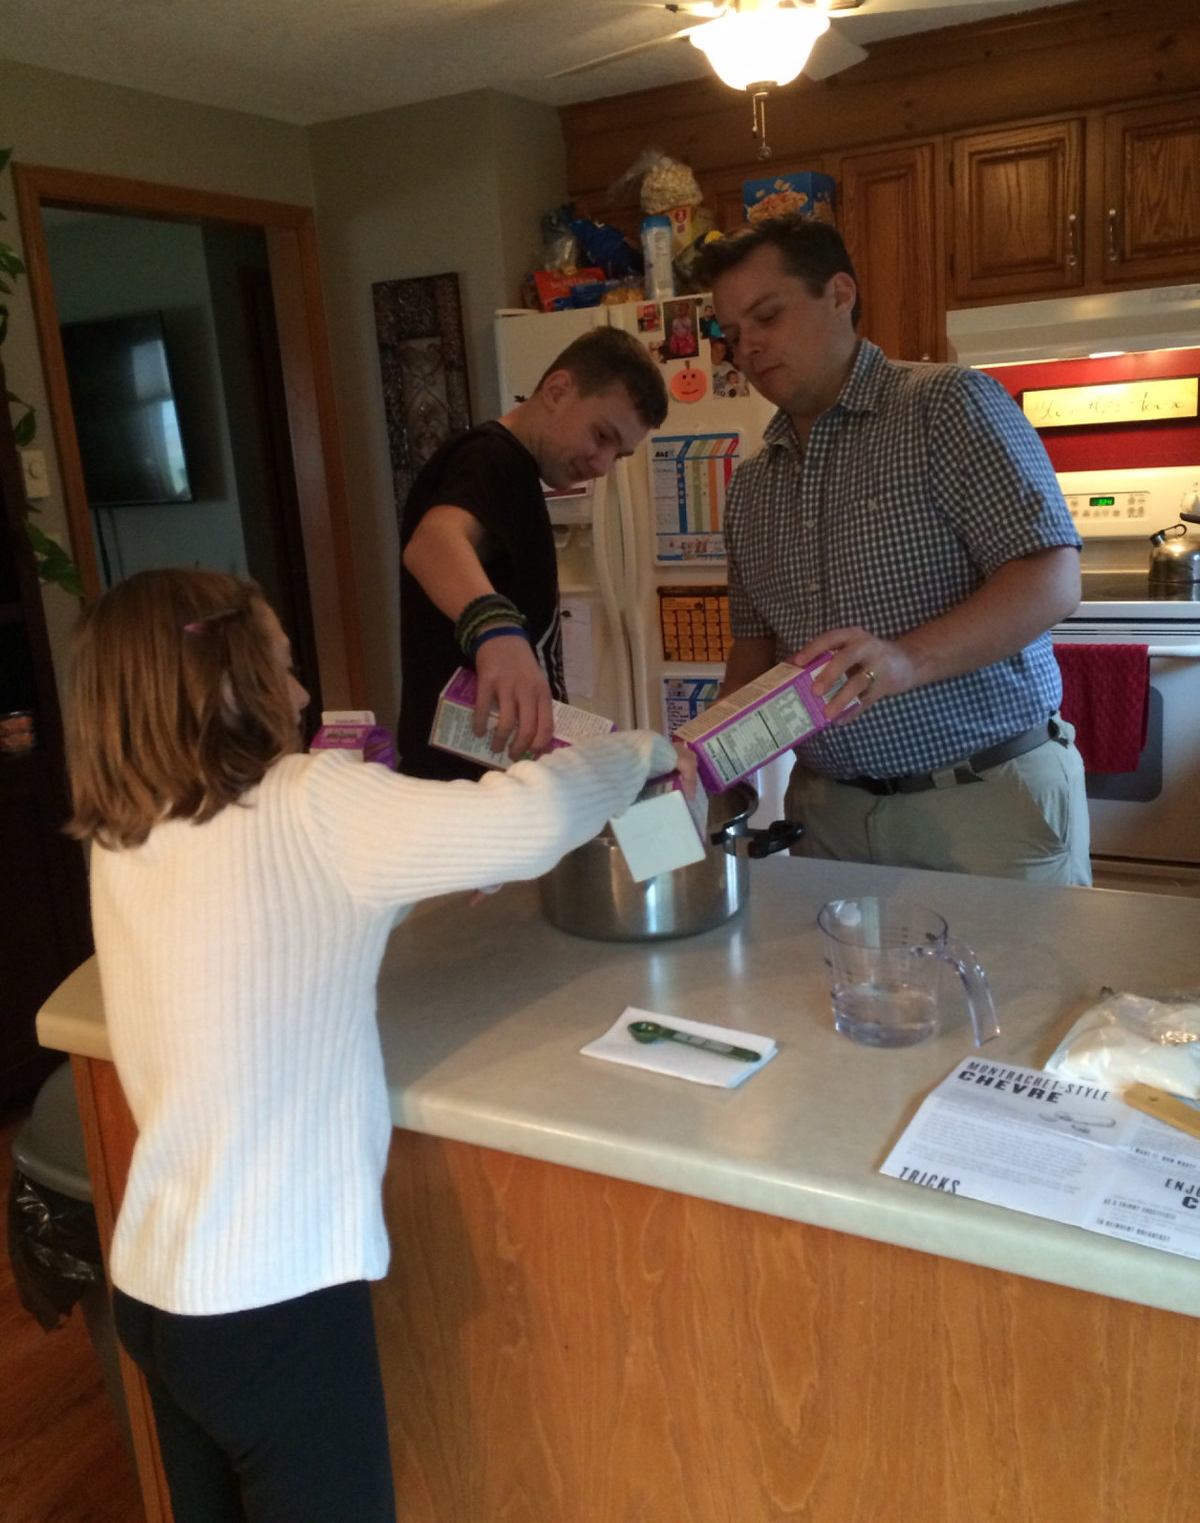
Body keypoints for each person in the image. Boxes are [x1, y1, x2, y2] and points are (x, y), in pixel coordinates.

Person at [64, 567, 690, 1523]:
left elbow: (272, 931)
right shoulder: (314, 802)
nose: (306, 694)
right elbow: (528, 822)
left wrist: (407, 871)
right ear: (229, 681)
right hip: (274, 1304)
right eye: (281, 665)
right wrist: (637, 749)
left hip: (156, 1288)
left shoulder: (129, 825)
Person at [695, 215, 1091, 884]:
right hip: (828, 819)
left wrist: (904, 661)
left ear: (840, 293)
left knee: (1019, 993)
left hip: (985, 806)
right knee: (834, 993)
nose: (749, 347)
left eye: (767, 316)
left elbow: (1052, 579)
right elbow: (755, 655)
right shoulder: (753, 487)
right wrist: (702, 767)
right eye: (732, 334)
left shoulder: (948, 406)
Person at [398, 325, 667, 780]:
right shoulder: (492, 459)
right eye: (601, 436)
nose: (602, 466)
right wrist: (497, 633)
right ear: (557, 390)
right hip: (463, 785)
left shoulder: (517, 473)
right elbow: (433, 543)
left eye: (618, 455)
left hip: (497, 769)